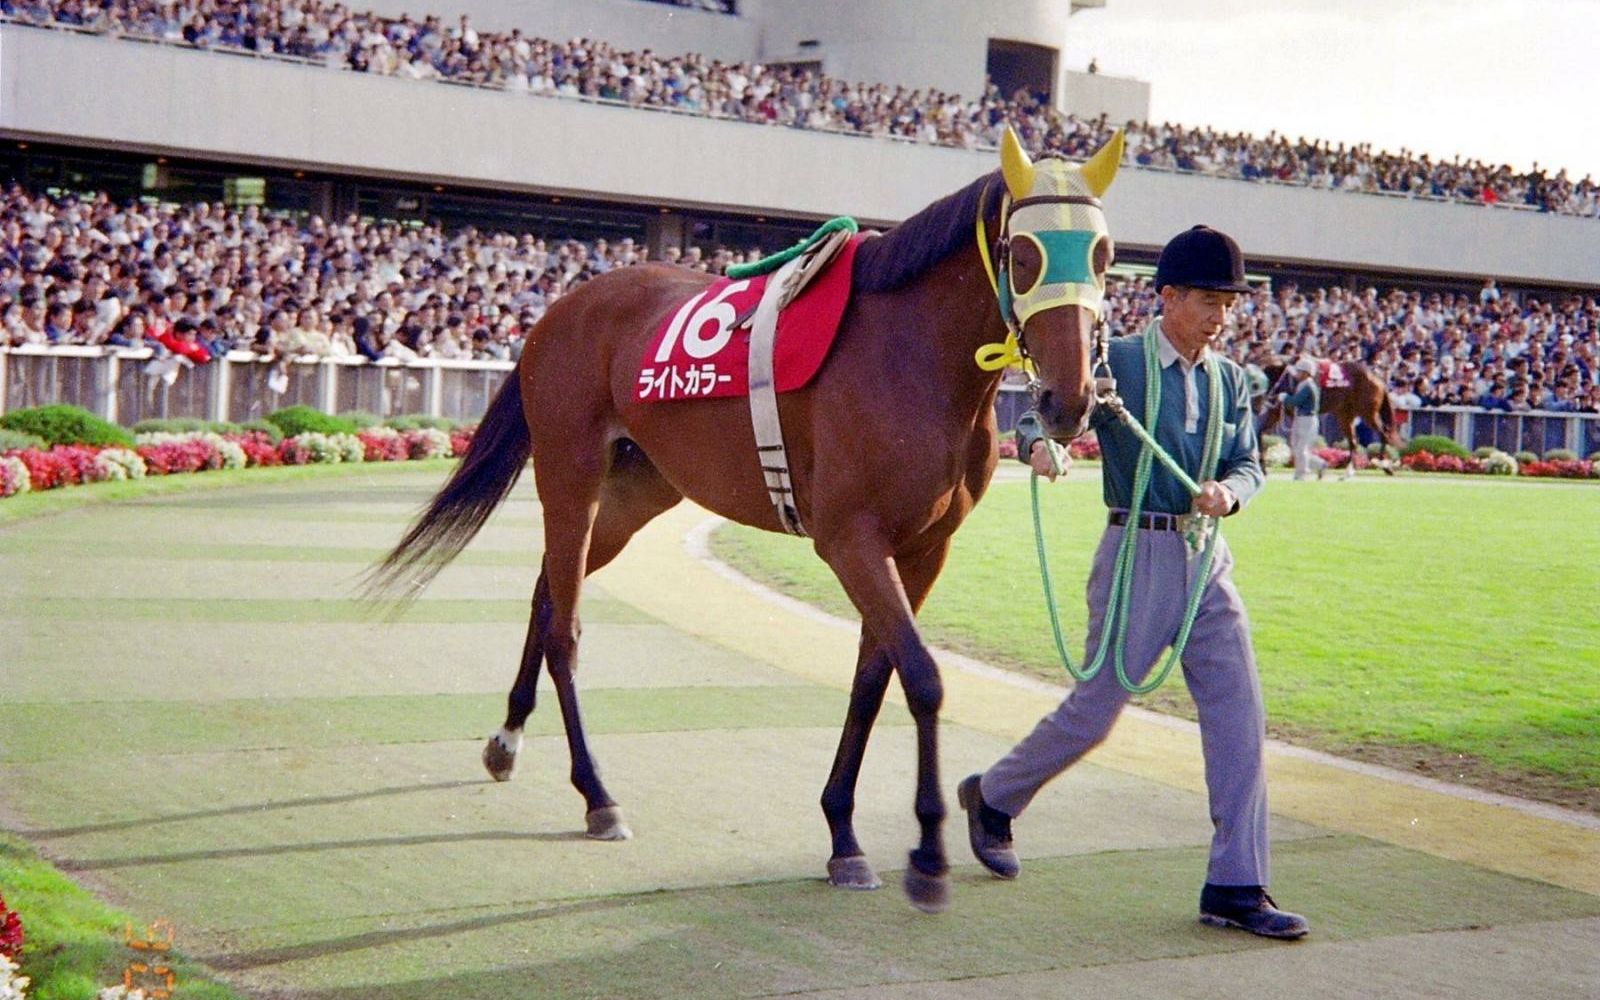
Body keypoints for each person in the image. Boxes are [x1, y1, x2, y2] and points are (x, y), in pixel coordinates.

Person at [957, 225, 1308, 940]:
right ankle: (993, 797)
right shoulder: (1115, 362)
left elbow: (1250, 463)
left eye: (1230, 304)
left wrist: (1231, 494)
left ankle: (1236, 884)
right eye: (1208, 300)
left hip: (1208, 560)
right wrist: (1039, 448)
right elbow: (1036, 412)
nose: (1221, 316)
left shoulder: (1230, 379)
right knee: (1095, 712)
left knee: (1241, 716)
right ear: (1167, 296)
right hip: (1134, 553)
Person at [1281, 356, 1327, 480]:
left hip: (1307, 420)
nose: (1297, 374)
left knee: (1301, 449)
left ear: (1306, 373)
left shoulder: (1308, 386)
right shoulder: (1303, 384)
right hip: (1301, 418)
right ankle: (1320, 464)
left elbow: (1296, 401)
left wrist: (1285, 398)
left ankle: (1301, 475)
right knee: (1296, 448)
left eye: (1299, 371)